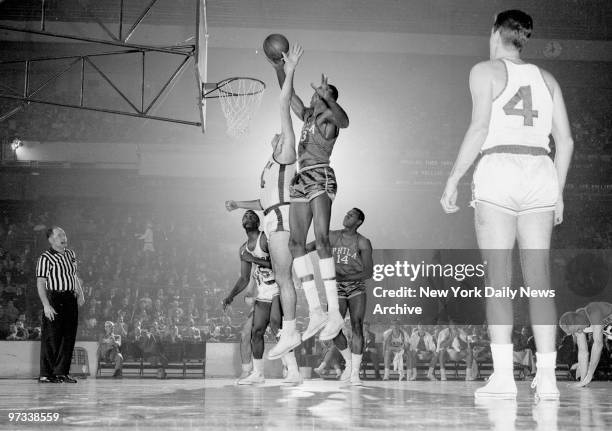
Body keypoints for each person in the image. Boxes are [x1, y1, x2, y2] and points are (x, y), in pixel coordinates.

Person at [440, 9, 573, 400]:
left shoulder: (485, 70)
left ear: (496, 33)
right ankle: (547, 380)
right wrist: (559, 192)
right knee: (540, 282)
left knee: (498, 279)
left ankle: (503, 380)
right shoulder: (547, 79)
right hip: (540, 173)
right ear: (524, 39)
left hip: (500, 167)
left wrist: (453, 179)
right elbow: (565, 142)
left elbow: (479, 127)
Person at [225, 44, 304, 360]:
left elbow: (284, 105)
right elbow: (262, 199)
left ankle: (291, 330)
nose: (277, 136)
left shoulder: (287, 153)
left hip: (283, 216)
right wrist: (237, 204)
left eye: (280, 135)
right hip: (272, 214)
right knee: (280, 275)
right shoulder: (271, 165)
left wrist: (288, 67)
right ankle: (288, 335)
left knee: (285, 276)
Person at [271, 45, 350, 342]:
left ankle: (334, 313)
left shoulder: (329, 120)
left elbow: (346, 121)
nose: (316, 94)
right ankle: (316, 310)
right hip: (301, 179)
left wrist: (329, 96)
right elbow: (288, 94)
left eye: (322, 93)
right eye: (318, 92)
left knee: (323, 236)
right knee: (295, 244)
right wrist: (281, 67)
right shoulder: (306, 116)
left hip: (320, 175)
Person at [222, 211, 302, 385]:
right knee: (256, 332)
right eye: (245, 217)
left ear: (258, 223)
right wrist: (230, 296)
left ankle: (293, 370)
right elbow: (244, 278)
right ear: (242, 224)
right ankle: (258, 374)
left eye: (251, 216)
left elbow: (278, 264)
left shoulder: (265, 239)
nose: (248, 218)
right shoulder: (243, 248)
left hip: (278, 287)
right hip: (263, 291)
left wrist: (254, 259)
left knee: (275, 325)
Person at [305, 208, 373, 385]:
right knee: (333, 328)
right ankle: (349, 364)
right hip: (336, 288)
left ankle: (355, 373)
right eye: (347, 213)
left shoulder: (363, 242)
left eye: (351, 215)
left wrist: (345, 277)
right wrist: (297, 249)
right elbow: (311, 247)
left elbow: (368, 271)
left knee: (357, 326)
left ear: (358, 222)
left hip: (356, 286)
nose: (347, 215)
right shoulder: (333, 235)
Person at [36, 226, 85, 383]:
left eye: (64, 233)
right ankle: (45, 374)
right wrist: (46, 305)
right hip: (55, 298)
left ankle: (61, 372)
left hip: (70, 298)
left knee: (68, 337)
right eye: (59, 235)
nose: (63, 236)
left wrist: (80, 293)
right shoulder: (45, 257)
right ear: (51, 239)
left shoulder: (71, 254)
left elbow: (73, 275)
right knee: (52, 337)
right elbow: (41, 282)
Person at [559, 302, 612, 387]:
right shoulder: (578, 325)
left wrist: (589, 375)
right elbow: (583, 352)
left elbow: (598, 344)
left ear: (577, 320)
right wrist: (583, 381)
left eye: (578, 329)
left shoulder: (593, 310)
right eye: (575, 332)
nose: (579, 332)